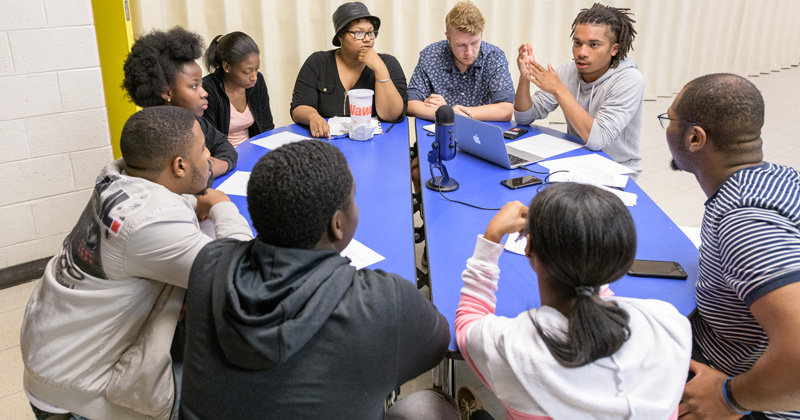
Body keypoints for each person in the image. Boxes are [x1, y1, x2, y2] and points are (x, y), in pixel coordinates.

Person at [179, 140, 449, 419]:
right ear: (337, 224)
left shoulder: (208, 264)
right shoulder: (383, 300)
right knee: (431, 406)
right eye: (353, 199)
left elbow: (233, 248)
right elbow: (438, 343)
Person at [19, 106, 253, 420]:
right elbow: (238, 276)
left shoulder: (116, 175)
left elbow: (169, 205)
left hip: (52, 351)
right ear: (179, 165)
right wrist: (223, 207)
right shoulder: (150, 224)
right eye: (202, 149)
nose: (208, 153)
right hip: (75, 393)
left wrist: (197, 203)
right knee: (226, 392)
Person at [454, 183, 692, 419]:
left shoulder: (514, 349)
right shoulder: (669, 326)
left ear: (528, 249)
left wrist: (491, 238)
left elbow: (467, 324)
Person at [666, 74, 800, 420]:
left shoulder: (744, 224)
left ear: (695, 138)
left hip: (752, 397)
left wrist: (729, 399)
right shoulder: (780, 179)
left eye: (669, 120)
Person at [514, 3, 644, 175]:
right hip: (575, 162)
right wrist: (525, 77)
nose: (581, 52)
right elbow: (524, 117)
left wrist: (559, 90)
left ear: (614, 49)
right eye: (577, 43)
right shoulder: (568, 71)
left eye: (593, 45)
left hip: (616, 171)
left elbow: (598, 140)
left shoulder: (630, 80)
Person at [123, 26, 237, 178]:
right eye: (194, 86)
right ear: (166, 92)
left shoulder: (194, 120)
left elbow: (224, 145)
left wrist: (213, 166)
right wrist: (206, 169)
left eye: (201, 84)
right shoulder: (153, 137)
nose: (204, 93)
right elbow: (186, 181)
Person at [290, 2, 407, 138]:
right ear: (341, 36)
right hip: (327, 141)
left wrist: (380, 70)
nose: (367, 39)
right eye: (359, 33)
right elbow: (299, 106)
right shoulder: (318, 62)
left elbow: (392, 115)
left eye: (370, 32)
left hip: (376, 142)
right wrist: (313, 117)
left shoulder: (388, 63)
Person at [406, 1, 514, 122]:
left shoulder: (494, 57)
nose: (469, 52)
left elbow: (506, 110)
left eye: (474, 43)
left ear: (481, 34)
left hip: (478, 133)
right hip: (439, 132)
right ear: (448, 37)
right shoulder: (430, 56)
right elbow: (410, 104)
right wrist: (448, 113)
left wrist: (450, 113)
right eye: (461, 45)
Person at [202, 31, 274, 146]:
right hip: (224, 158)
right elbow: (210, 141)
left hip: (253, 150)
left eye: (257, 69)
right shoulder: (207, 90)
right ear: (226, 66)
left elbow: (266, 126)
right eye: (247, 71)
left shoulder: (257, 81)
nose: (254, 77)